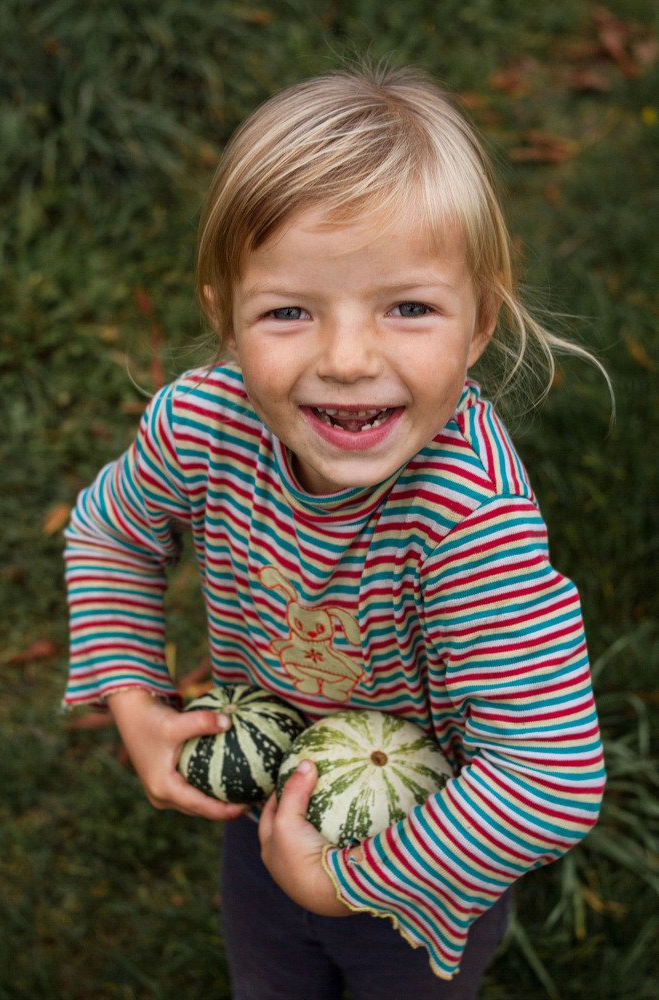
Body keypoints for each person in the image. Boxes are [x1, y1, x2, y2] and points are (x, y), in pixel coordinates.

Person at [63, 65, 608, 999]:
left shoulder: (471, 522)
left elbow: (549, 774)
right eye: (288, 311)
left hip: (422, 868)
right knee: (269, 977)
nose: (347, 359)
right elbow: (109, 532)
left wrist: (345, 878)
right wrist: (131, 698)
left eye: (408, 308)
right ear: (224, 321)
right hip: (263, 816)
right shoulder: (201, 424)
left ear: (480, 318)